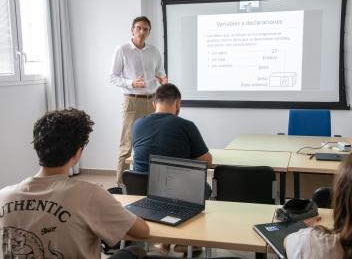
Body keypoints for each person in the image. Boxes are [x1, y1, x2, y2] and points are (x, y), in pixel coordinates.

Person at [0, 108, 149, 258]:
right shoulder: (89, 194)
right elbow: (142, 231)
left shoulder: (3, 196)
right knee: (136, 251)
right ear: (78, 153)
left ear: (37, 146)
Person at [110, 16, 168, 185]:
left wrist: (163, 79)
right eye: (139, 28)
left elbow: (160, 71)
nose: (142, 31)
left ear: (149, 32)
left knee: (151, 143)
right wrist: (130, 83)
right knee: (127, 145)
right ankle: (120, 185)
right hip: (132, 101)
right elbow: (112, 77)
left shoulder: (154, 51)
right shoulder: (122, 50)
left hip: (152, 102)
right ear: (132, 30)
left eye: (145, 29)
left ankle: (150, 183)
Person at [132, 83, 212, 172]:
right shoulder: (186, 125)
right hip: (173, 183)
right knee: (205, 186)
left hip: (139, 184)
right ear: (178, 103)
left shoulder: (137, 124)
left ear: (154, 104)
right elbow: (207, 162)